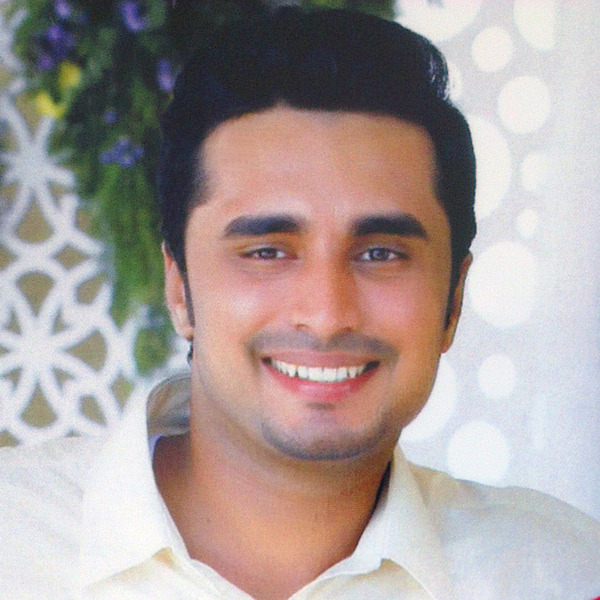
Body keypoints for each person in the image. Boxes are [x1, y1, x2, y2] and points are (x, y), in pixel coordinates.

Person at [1, 7, 599, 600]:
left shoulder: (563, 576)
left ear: (454, 300)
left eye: (381, 253)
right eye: (266, 251)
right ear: (179, 288)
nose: (327, 314)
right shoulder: (16, 540)